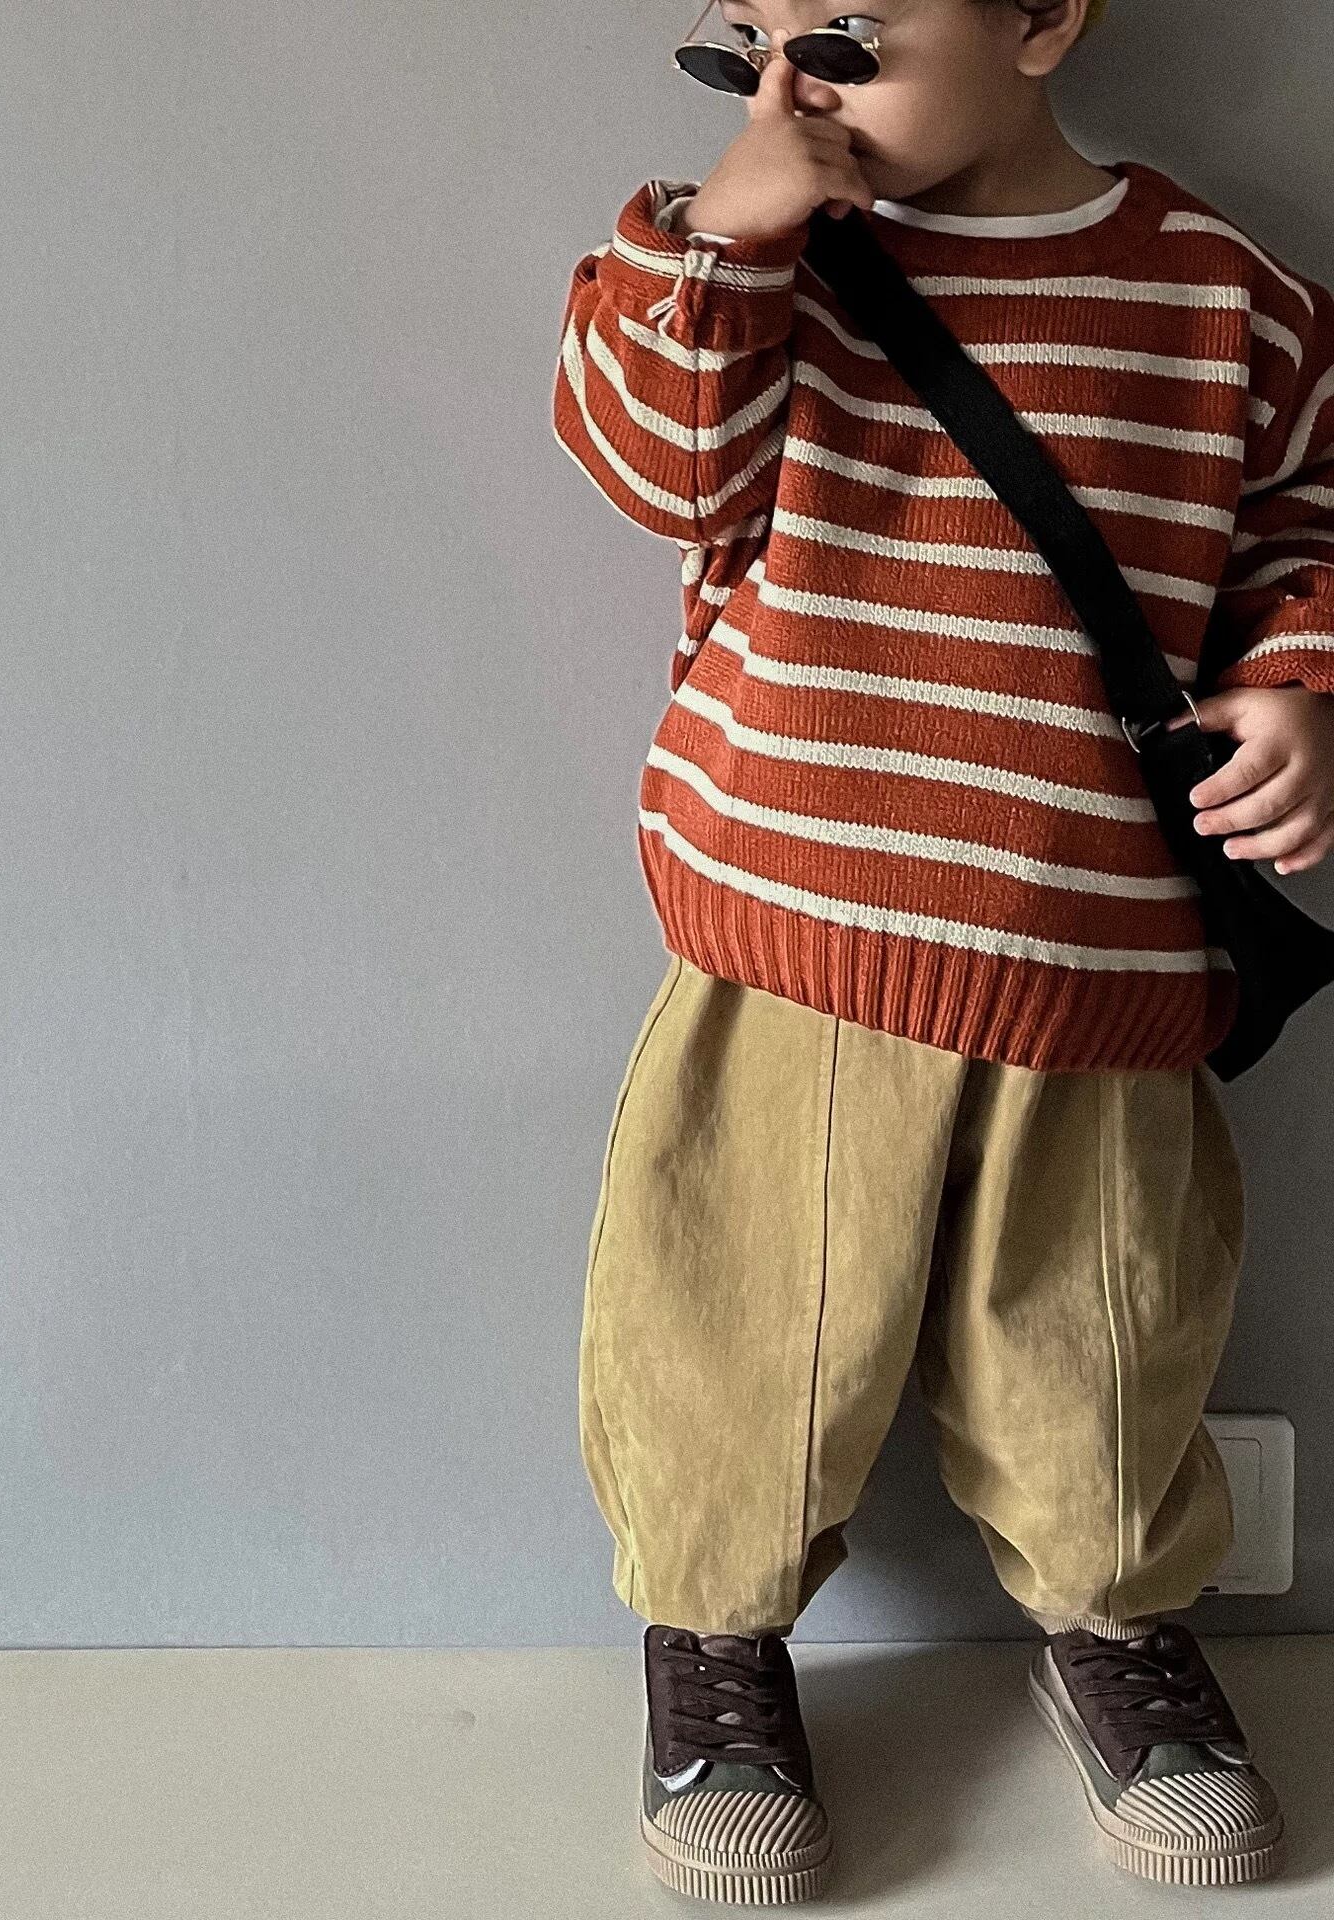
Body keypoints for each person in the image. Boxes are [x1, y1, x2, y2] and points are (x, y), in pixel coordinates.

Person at [551, 0, 1334, 1900]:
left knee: (1107, 1328)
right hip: (798, 920)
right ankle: (716, 1643)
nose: (783, 91)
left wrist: (1302, 689)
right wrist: (720, 234)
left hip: (1098, 941)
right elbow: (654, 469)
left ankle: (1118, 1625)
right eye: (736, 47)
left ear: (1044, 19)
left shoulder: (1224, 297)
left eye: (841, 38)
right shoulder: (759, 269)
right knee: (742, 1320)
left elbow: (1302, 527)